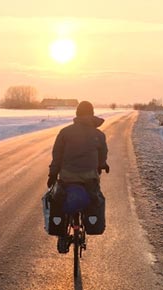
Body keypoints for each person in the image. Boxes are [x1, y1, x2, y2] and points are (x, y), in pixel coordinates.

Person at [47, 101, 109, 253]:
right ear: (92, 114)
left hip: (67, 178)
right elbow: (102, 155)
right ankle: (87, 223)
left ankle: (62, 233)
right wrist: (102, 165)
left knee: (59, 199)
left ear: (77, 114)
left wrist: (53, 174)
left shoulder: (65, 132)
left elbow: (57, 156)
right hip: (89, 179)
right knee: (94, 199)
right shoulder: (99, 135)